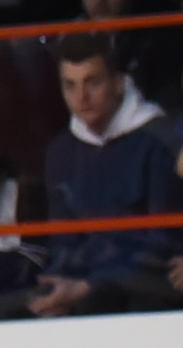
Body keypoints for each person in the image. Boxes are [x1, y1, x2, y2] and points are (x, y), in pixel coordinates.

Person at [34, 34, 183, 314]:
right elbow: (62, 240)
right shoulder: (60, 151)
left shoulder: (157, 141)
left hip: (142, 283)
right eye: (70, 85)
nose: (81, 97)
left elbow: (162, 243)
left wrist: (89, 284)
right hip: (85, 280)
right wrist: (59, 282)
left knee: (96, 302)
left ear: (118, 82)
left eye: (93, 82)